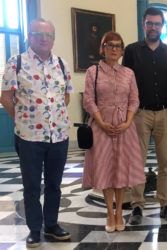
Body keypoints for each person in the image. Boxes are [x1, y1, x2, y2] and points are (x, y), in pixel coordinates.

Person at [0, 18, 73, 248]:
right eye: (38, 34)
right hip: (29, 137)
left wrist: (54, 118)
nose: (43, 38)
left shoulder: (62, 63)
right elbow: (5, 97)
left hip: (59, 136)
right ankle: (34, 229)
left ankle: (51, 226)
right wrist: (24, 120)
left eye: (48, 35)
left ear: (53, 38)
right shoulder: (16, 63)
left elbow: (67, 95)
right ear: (29, 36)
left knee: (54, 184)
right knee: (32, 186)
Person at [82, 31, 145, 232]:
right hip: (101, 126)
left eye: (118, 46)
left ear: (122, 50)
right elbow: (88, 100)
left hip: (124, 127)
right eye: (110, 45)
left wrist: (127, 122)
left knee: (121, 171)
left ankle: (120, 212)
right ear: (103, 48)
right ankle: (110, 213)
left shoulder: (129, 73)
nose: (114, 49)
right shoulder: (93, 71)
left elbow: (134, 100)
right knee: (106, 170)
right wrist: (100, 121)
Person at [122, 7, 167, 224]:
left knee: (166, 161)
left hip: (165, 112)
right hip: (139, 113)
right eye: (149, 23)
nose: (153, 27)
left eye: (157, 23)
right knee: (137, 161)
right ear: (143, 25)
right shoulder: (132, 50)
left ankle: (165, 203)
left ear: (162, 26)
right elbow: (125, 82)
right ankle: (137, 205)